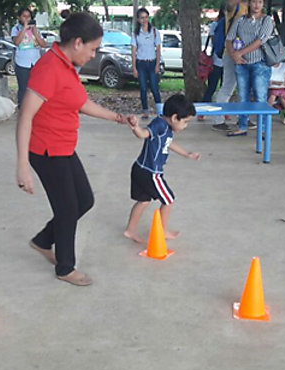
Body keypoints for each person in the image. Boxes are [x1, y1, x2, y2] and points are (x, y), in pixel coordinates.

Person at [15, 13, 132, 286]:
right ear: (78, 43)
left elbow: (80, 103)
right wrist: (22, 165)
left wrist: (117, 117)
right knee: (68, 208)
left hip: (64, 146)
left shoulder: (66, 65)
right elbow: (25, 117)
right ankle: (65, 267)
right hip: (45, 150)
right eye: (92, 49)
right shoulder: (49, 68)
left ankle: (44, 240)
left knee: (84, 201)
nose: (93, 55)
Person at [124, 94, 200, 244]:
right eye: (185, 122)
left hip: (140, 168)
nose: (185, 126)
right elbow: (143, 134)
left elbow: (168, 143)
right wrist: (135, 127)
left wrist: (186, 153)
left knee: (144, 201)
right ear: (174, 117)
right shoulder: (159, 124)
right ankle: (163, 230)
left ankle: (130, 231)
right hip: (151, 172)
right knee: (169, 200)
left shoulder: (167, 127)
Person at [225, 0, 274, 137]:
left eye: (260, 2)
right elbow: (229, 38)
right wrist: (233, 55)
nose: (257, 5)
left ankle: (263, 129)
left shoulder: (266, 20)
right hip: (241, 64)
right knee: (242, 96)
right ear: (249, 4)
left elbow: (261, 40)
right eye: (254, 2)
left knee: (260, 97)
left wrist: (240, 52)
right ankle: (242, 126)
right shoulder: (240, 20)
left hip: (260, 63)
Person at [211, 0, 252, 133]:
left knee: (244, 88)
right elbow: (229, 5)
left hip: (246, 53)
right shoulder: (235, 5)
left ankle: (243, 117)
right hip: (231, 52)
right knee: (228, 87)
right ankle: (218, 120)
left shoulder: (249, 7)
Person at [11, 7, 47, 107]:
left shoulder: (36, 30)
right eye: (24, 16)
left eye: (29, 16)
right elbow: (16, 42)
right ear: (19, 17)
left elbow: (43, 44)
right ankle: (22, 107)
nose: (27, 19)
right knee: (23, 87)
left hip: (36, 62)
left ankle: (36, 106)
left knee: (37, 86)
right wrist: (24, 30)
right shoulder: (16, 29)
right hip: (22, 62)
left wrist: (35, 33)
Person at [131, 8, 162, 119]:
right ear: (138, 20)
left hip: (152, 62)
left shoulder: (154, 31)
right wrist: (134, 67)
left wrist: (157, 64)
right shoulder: (135, 34)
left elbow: (158, 49)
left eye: (146, 17)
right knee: (143, 87)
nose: (144, 20)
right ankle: (145, 110)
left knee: (154, 87)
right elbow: (133, 51)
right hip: (141, 64)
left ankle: (160, 110)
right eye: (142, 18)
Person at [198, 9, 226, 121]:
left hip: (228, 62)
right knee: (212, 87)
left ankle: (225, 111)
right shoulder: (216, 24)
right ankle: (203, 111)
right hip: (216, 61)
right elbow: (214, 41)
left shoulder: (235, 24)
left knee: (225, 89)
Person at [268, 60, 285, 124]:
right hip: (270, 87)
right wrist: (274, 82)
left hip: (281, 87)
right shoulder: (268, 66)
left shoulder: (284, 66)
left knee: (282, 94)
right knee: (273, 95)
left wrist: (281, 83)